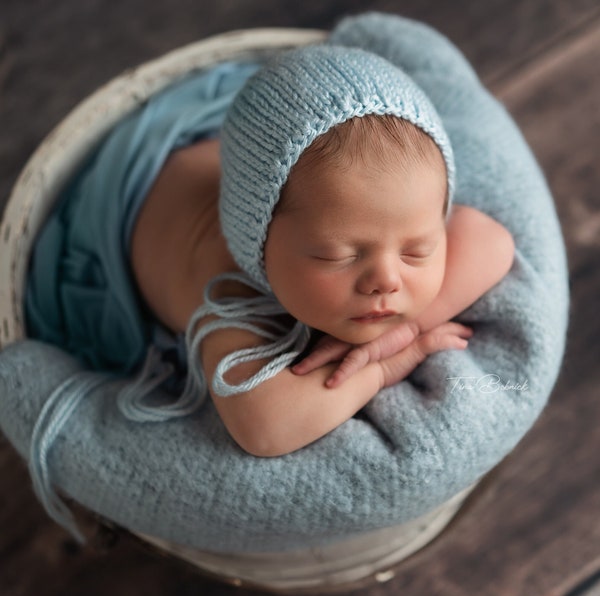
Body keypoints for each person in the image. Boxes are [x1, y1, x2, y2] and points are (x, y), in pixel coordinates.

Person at [129, 45, 515, 457]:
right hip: (135, 199)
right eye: (338, 256)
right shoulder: (230, 295)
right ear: (261, 247)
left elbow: (492, 240)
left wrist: (407, 330)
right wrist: (380, 368)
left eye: (416, 251)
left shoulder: (382, 206)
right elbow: (265, 428)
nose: (386, 280)